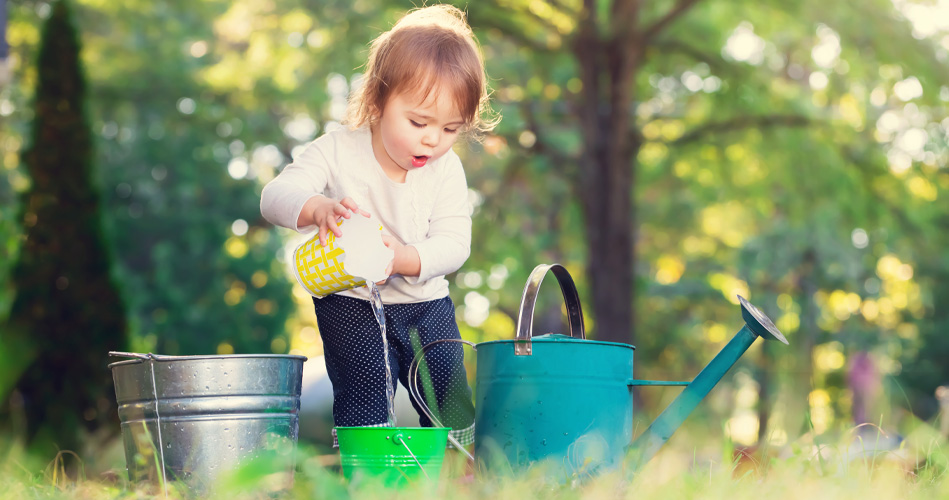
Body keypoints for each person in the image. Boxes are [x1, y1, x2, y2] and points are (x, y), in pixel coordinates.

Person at [260, 4, 497, 451]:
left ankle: (460, 472)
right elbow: (273, 197)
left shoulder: (446, 171)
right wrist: (317, 208)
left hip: (424, 304)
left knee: (447, 391)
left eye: (451, 128)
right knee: (364, 393)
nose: (433, 140)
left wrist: (402, 259)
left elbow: (454, 244)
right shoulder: (335, 151)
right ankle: (369, 481)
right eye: (418, 122)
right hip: (349, 303)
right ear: (377, 101)